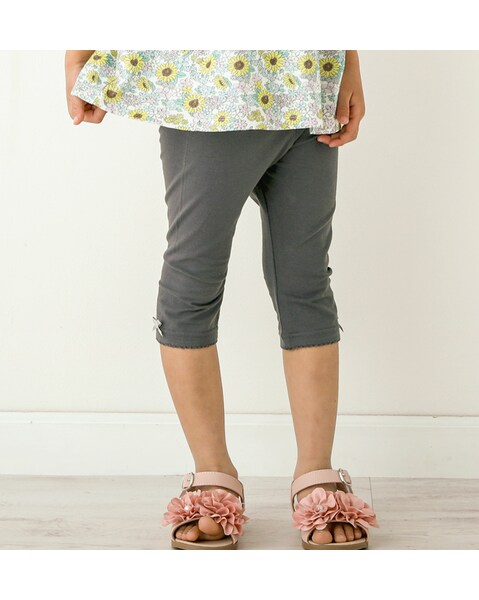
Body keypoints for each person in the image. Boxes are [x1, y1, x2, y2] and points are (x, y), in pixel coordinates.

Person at [65, 50, 379, 550]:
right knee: (192, 284)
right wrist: (79, 54)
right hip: (211, 83)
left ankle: (316, 471)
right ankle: (212, 471)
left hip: (308, 78)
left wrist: (349, 62)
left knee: (306, 284)